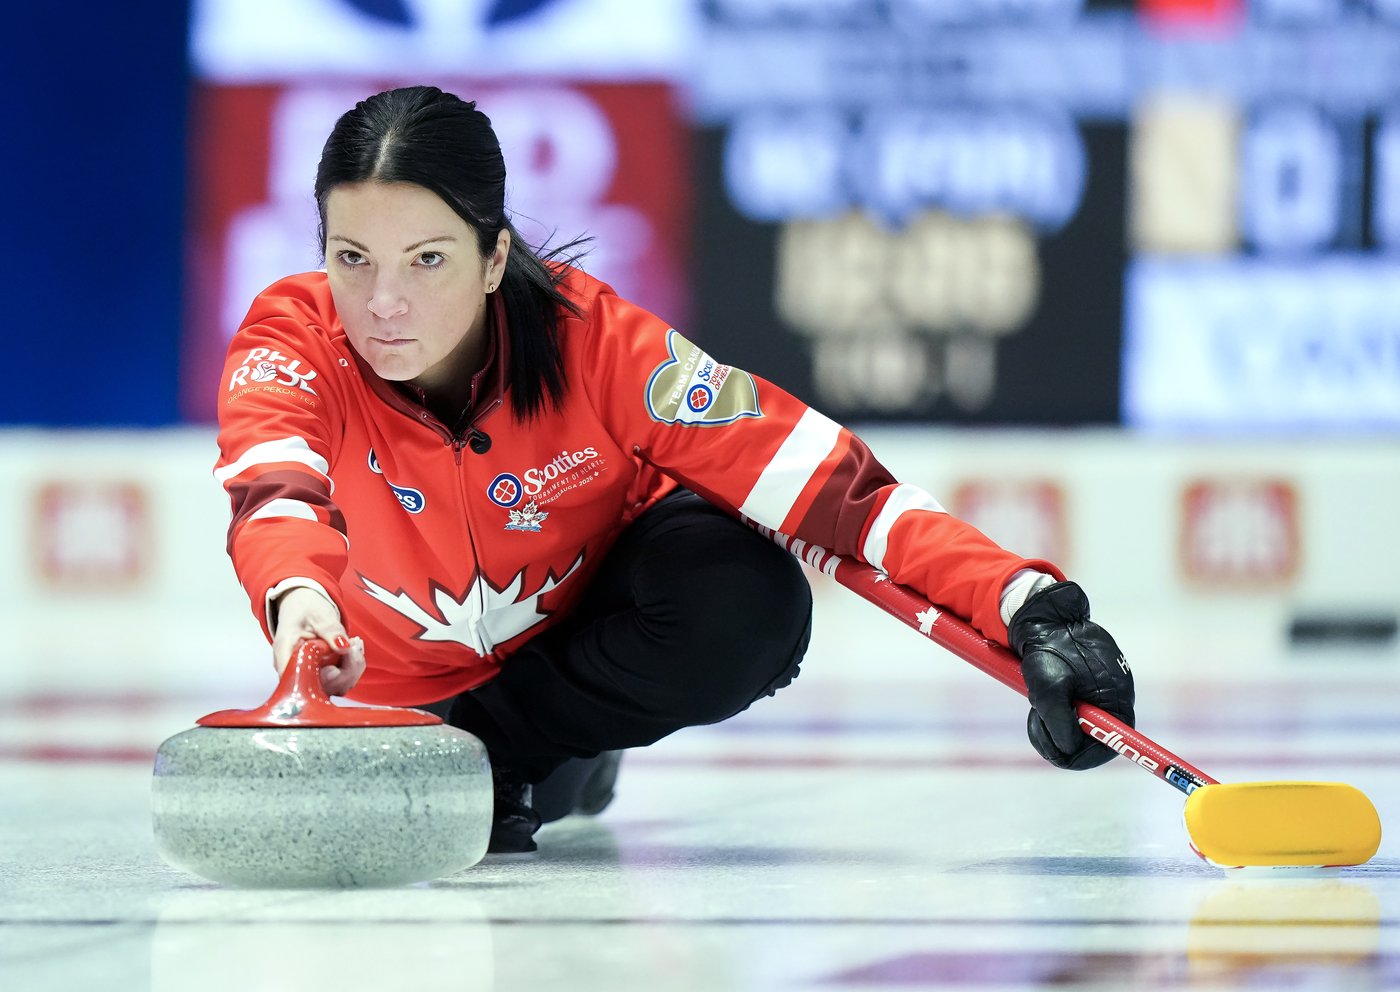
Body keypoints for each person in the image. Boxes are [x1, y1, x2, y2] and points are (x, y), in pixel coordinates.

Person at [214, 86, 1135, 855]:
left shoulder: (598, 343)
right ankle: (521, 753)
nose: (383, 303)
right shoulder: (291, 338)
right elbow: (273, 484)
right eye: (351, 258)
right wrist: (300, 601)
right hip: (402, 695)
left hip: (568, 656)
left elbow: (829, 488)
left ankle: (509, 750)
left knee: (747, 600)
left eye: (427, 260)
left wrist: (1025, 606)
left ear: (496, 256)